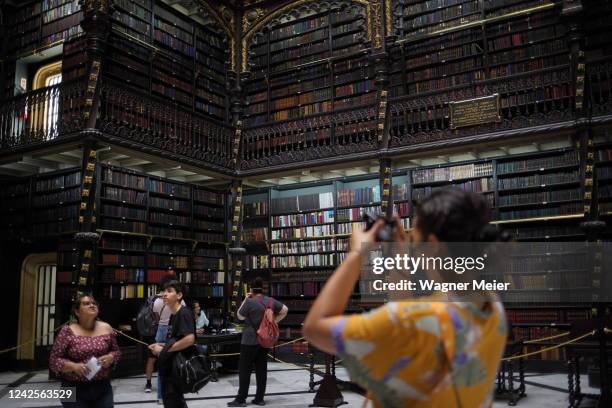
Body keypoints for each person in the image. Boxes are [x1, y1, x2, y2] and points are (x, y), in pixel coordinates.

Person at [303, 188, 508, 408]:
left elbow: (314, 328)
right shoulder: (491, 305)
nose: (413, 247)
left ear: (433, 245)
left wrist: (356, 254)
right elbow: (423, 309)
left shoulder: (411, 321)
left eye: (415, 240)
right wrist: (400, 258)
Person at [50, 294, 121, 407]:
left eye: (94, 303)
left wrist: (111, 357)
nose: (92, 305)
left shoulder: (106, 327)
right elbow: (54, 360)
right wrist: (74, 366)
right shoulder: (67, 331)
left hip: (102, 386)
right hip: (72, 386)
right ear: (77, 312)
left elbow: (116, 351)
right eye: (86, 303)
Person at [227, 277, 288, 407]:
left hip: (249, 340)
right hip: (263, 340)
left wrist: (245, 299)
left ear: (251, 289)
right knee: (261, 369)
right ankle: (259, 399)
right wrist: (273, 322)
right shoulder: (270, 301)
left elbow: (239, 315)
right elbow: (285, 310)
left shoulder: (249, 302)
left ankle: (241, 399)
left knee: (244, 370)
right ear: (263, 288)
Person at [149, 280, 196, 408]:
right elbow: (176, 340)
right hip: (170, 369)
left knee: (174, 402)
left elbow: (190, 339)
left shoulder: (184, 313)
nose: (164, 294)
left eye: (169, 291)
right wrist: (162, 346)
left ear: (179, 295)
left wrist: (164, 350)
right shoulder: (173, 314)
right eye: (164, 291)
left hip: (176, 370)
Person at [145, 274, 185, 401]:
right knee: (174, 364)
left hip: (161, 330)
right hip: (173, 330)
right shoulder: (180, 301)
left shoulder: (157, 301)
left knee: (162, 365)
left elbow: (156, 318)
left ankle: (160, 397)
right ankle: (174, 393)